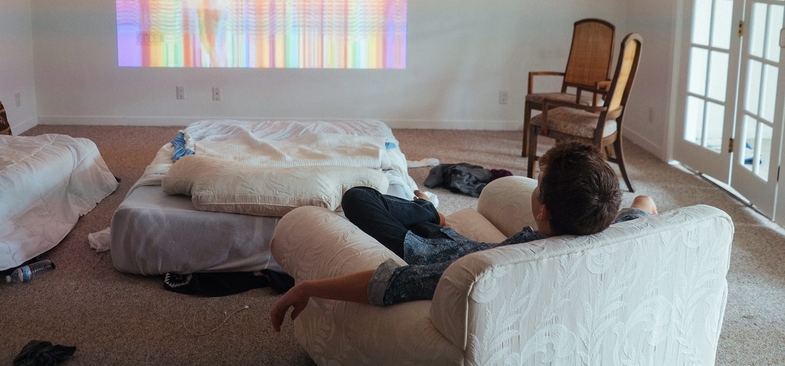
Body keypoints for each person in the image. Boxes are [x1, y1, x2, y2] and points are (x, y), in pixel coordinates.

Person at [270, 141, 657, 331]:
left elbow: (391, 282)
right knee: (377, 202)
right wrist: (634, 209)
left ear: (542, 212)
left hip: (426, 248)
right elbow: (645, 202)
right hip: (456, 241)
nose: (536, 188)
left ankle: (426, 210)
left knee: (357, 198)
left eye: (538, 184)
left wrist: (307, 287)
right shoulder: (615, 232)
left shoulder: (490, 268)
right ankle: (428, 209)